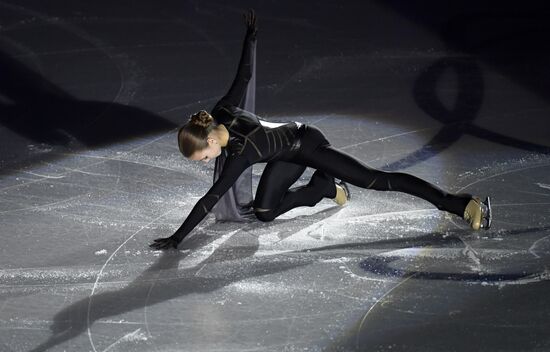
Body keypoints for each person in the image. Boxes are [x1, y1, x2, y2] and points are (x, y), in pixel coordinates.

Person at [149, 10, 491, 250]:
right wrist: (249, 40)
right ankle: (322, 189)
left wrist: (178, 238)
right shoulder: (221, 112)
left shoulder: (242, 152)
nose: (205, 161)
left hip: (305, 143)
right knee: (264, 213)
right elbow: (244, 78)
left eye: (202, 156)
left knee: (374, 180)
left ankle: (459, 204)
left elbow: (211, 198)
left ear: (209, 139)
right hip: (284, 156)